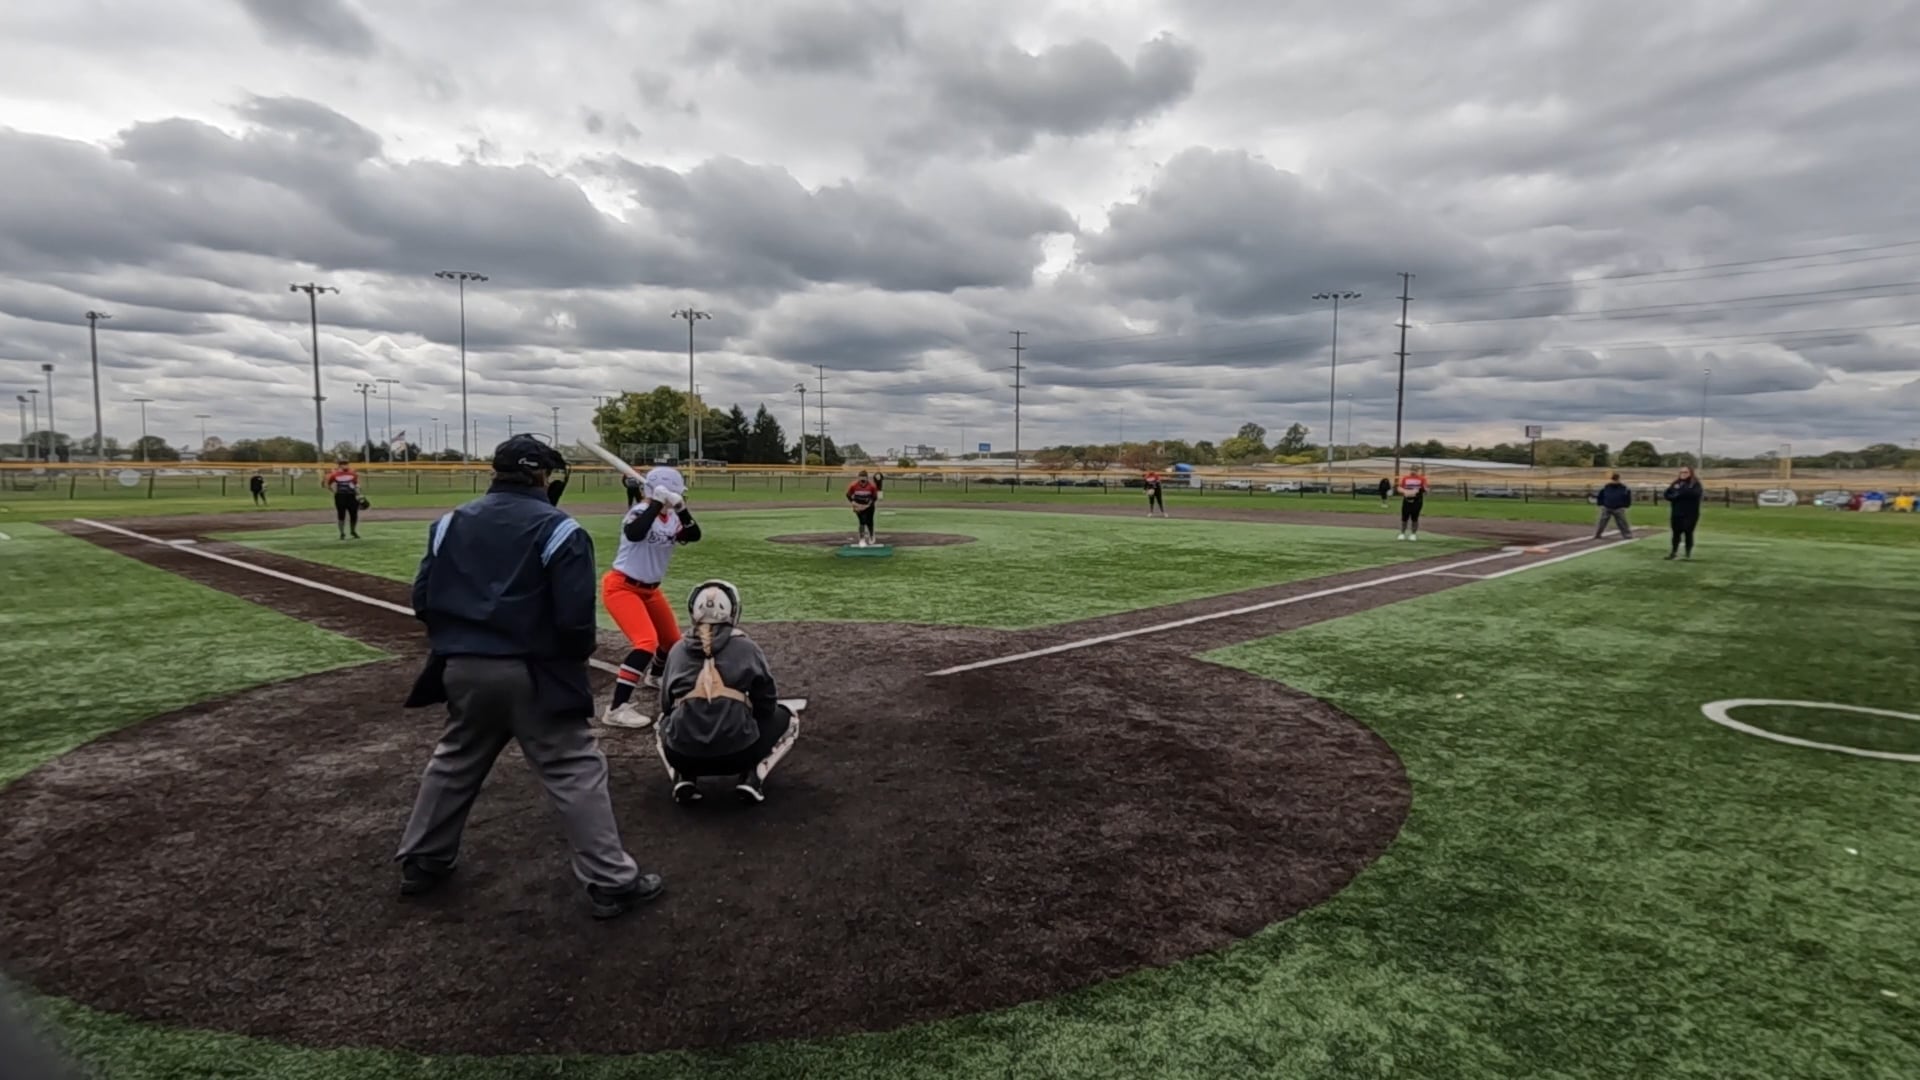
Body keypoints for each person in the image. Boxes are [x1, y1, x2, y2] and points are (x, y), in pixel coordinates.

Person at [394, 435, 662, 920]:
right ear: (543, 475)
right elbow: (575, 625)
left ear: (495, 471)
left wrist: (465, 640)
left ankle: (422, 860)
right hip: (534, 670)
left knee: (455, 760)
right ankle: (611, 881)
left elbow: (422, 600)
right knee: (574, 769)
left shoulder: (449, 522)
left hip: (461, 666)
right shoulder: (561, 529)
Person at [655, 580, 801, 805]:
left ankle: (683, 777)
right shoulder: (747, 647)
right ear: (732, 611)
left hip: (683, 756)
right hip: (739, 755)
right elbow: (767, 704)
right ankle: (752, 777)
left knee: (662, 722)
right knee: (789, 718)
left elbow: (666, 705)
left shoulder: (677, 650)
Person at [601, 466, 702, 729]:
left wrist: (681, 509)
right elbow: (635, 533)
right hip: (622, 587)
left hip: (650, 590)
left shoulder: (672, 517)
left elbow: (694, 535)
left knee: (672, 642)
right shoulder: (638, 512)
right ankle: (616, 709)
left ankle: (655, 676)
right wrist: (656, 503)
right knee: (646, 643)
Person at [1663, 466, 1704, 560]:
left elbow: (1695, 494)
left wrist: (1680, 493)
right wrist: (1674, 496)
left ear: (1690, 473)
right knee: (1676, 533)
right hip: (1676, 512)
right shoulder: (1676, 483)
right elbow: (1667, 494)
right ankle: (1673, 552)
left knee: (1688, 532)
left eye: (1685, 472)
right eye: (1681, 472)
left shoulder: (1695, 484)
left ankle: (1687, 553)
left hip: (1690, 513)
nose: (1683, 474)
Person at [324, 459, 362, 540]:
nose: (345, 465)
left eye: (346, 464)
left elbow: (356, 485)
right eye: (343, 464)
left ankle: (353, 531)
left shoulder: (353, 474)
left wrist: (359, 494)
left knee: (354, 515)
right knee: (341, 515)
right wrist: (334, 491)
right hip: (340, 496)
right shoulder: (335, 475)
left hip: (351, 496)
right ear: (339, 465)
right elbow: (328, 484)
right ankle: (342, 533)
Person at [1594, 472, 1633, 539]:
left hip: (1618, 507)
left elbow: (1627, 497)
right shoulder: (1607, 487)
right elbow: (1601, 495)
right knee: (1602, 522)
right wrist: (1600, 504)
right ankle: (1598, 534)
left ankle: (1627, 535)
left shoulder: (1623, 487)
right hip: (1607, 507)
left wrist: (1626, 505)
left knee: (1622, 522)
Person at [846, 469, 880, 545]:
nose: (862, 482)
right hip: (858, 506)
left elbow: (874, 498)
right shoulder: (853, 485)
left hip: (869, 506)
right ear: (858, 478)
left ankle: (871, 535)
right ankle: (862, 538)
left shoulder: (872, 486)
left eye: (864, 480)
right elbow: (848, 495)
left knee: (869, 521)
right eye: (861, 480)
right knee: (862, 521)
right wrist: (853, 503)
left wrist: (867, 506)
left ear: (867, 478)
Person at [1397, 466, 1428, 540]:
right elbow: (1400, 488)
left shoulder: (1422, 479)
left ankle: (1413, 534)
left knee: (1414, 518)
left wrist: (1423, 490)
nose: (1413, 472)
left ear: (1418, 471)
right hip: (1407, 500)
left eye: (1415, 470)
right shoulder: (1405, 478)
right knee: (1404, 518)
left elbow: (1425, 489)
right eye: (1412, 470)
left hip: (1417, 501)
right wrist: (1404, 491)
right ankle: (1402, 533)